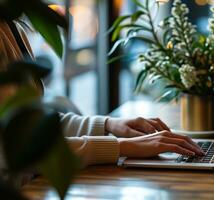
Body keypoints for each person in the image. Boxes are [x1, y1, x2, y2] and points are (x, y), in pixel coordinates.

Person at [0, 20, 203, 167]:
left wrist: (108, 125)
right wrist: (121, 146)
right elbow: (14, 149)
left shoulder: (12, 26)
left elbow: (28, 125)